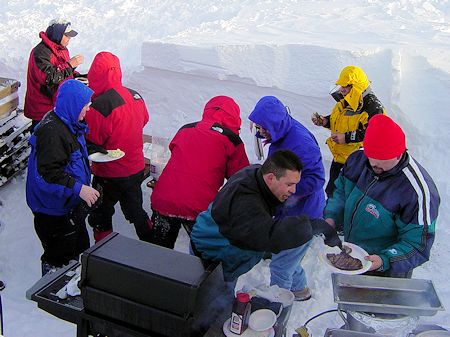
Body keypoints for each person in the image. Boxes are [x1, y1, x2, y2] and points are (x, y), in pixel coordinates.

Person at [190, 150, 341, 286]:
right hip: (211, 256)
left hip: (225, 247)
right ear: (271, 178)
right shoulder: (244, 202)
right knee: (215, 305)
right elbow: (270, 235)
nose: (294, 190)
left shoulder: (257, 173)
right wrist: (313, 226)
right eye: (289, 184)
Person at [324, 114, 440, 278]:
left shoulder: (416, 191)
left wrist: (385, 260)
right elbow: (341, 192)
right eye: (371, 156)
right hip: (355, 255)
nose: (374, 163)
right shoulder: (358, 159)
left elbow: (418, 244)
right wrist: (332, 217)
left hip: (389, 269)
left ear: (399, 154)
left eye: (382, 159)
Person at [248, 96, 326, 301]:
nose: (260, 132)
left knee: (281, 266)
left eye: (263, 127)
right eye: (258, 126)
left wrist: (285, 189)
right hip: (290, 211)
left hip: (303, 213)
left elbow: (317, 179)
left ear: (274, 124)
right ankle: (300, 291)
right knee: (289, 257)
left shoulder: (300, 144)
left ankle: (276, 308)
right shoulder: (281, 133)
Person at [149, 96, 250, 249]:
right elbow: (241, 178)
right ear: (234, 118)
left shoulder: (185, 129)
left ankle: (152, 272)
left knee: (158, 252)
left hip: (164, 199)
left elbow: (174, 150)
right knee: (204, 257)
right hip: (199, 207)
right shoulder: (231, 139)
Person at [26, 79, 99, 276]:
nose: (88, 110)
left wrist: (94, 152)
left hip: (69, 205)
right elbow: (48, 173)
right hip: (53, 211)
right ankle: (52, 295)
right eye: (86, 106)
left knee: (80, 249)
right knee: (58, 259)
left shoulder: (70, 122)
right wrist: (79, 188)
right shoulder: (51, 132)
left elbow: (71, 154)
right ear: (73, 105)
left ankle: (73, 283)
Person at [85, 51, 151, 243]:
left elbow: (92, 137)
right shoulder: (135, 95)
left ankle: (103, 251)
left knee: (101, 213)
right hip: (135, 167)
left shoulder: (100, 105)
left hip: (108, 173)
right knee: (136, 210)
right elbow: (144, 120)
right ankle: (154, 245)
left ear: (95, 74)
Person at [311, 65, 385, 198]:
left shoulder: (373, 107)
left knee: (348, 198)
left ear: (355, 86)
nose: (341, 90)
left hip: (358, 163)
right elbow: (339, 120)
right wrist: (325, 121)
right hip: (340, 158)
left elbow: (374, 134)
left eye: (344, 86)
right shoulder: (347, 101)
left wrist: (346, 137)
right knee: (332, 193)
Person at [24, 19, 84, 130]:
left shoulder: (61, 49)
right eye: (67, 35)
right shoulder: (40, 52)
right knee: (42, 142)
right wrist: (70, 66)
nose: (69, 39)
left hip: (56, 106)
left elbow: (62, 70)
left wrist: (78, 76)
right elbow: (49, 77)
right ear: (58, 34)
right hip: (42, 109)